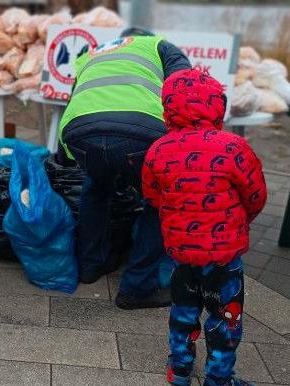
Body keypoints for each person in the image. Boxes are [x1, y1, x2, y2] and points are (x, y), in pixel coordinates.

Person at [142, 69, 267, 386]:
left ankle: (181, 370)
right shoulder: (234, 147)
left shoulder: (158, 150)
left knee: (183, 312)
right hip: (225, 260)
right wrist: (239, 222)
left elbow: (152, 195)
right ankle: (219, 378)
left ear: (168, 108)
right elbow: (255, 195)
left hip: (182, 255)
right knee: (226, 318)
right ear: (218, 105)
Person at [58, 27, 192, 310]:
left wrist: (64, 156)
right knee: (158, 202)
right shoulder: (160, 45)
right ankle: (137, 288)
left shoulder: (91, 53)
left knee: (96, 187)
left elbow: (77, 97)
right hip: (140, 132)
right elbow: (186, 90)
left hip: (79, 132)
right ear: (145, 36)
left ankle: (90, 266)